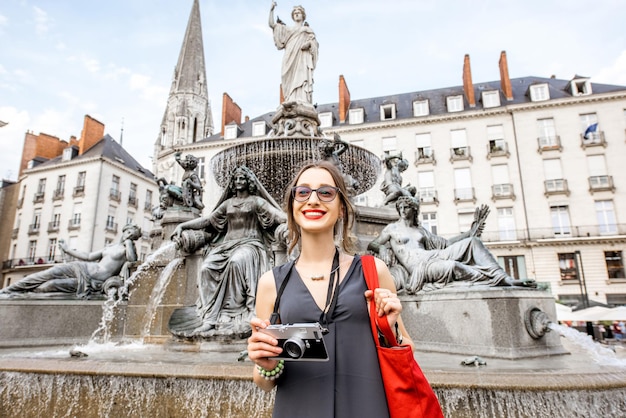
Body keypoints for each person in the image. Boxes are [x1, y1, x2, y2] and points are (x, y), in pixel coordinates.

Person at [247, 161, 415, 417]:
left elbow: (407, 352)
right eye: (302, 192)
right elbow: (264, 382)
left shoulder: (374, 270)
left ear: (342, 209)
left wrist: (390, 329)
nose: (313, 200)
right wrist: (266, 365)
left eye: (326, 192)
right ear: (293, 207)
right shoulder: (271, 283)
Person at [170, 166, 287, 337]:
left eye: (242, 179)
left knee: (236, 262)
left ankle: (235, 314)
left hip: (250, 245)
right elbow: (207, 221)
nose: (239, 182)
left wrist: (296, 219)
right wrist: (183, 225)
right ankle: (210, 319)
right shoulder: (228, 203)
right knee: (206, 268)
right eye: (236, 179)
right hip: (227, 246)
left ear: (249, 182)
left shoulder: (256, 201)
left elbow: (278, 216)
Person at [368, 196, 535, 293]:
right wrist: (382, 247)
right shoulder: (392, 228)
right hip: (420, 267)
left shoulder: (421, 231)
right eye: (401, 207)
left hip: (433, 256)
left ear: (414, 210)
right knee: (452, 266)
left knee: (473, 242)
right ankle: (495, 280)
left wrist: (470, 232)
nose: (403, 210)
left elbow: (446, 244)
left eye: (407, 207)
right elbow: (372, 244)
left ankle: (505, 278)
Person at [0, 223, 142, 298]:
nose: (129, 235)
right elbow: (88, 256)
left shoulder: (127, 250)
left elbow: (132, 260)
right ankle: (8, 290)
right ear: (124, 231)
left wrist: (129, 243)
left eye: (132, 235)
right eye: (128, 232)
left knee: (51, 285)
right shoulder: (110, 246)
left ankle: (21, 294)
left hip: (91, 280)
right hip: (82, 266)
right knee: (48, 273)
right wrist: (68, 250)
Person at [268, 2, 318, 105]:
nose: (296, 14)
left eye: (299, 12)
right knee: (287, 79)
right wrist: (271, 10)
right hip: (289, 57)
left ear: (303, 15)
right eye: (295, 12)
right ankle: (290, 98)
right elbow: (272, 24)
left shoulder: (307, 30)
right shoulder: (287, 29)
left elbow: (315, 45)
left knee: (301, 76)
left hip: (302, 58)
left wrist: (308, 44)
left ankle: (302, 99)